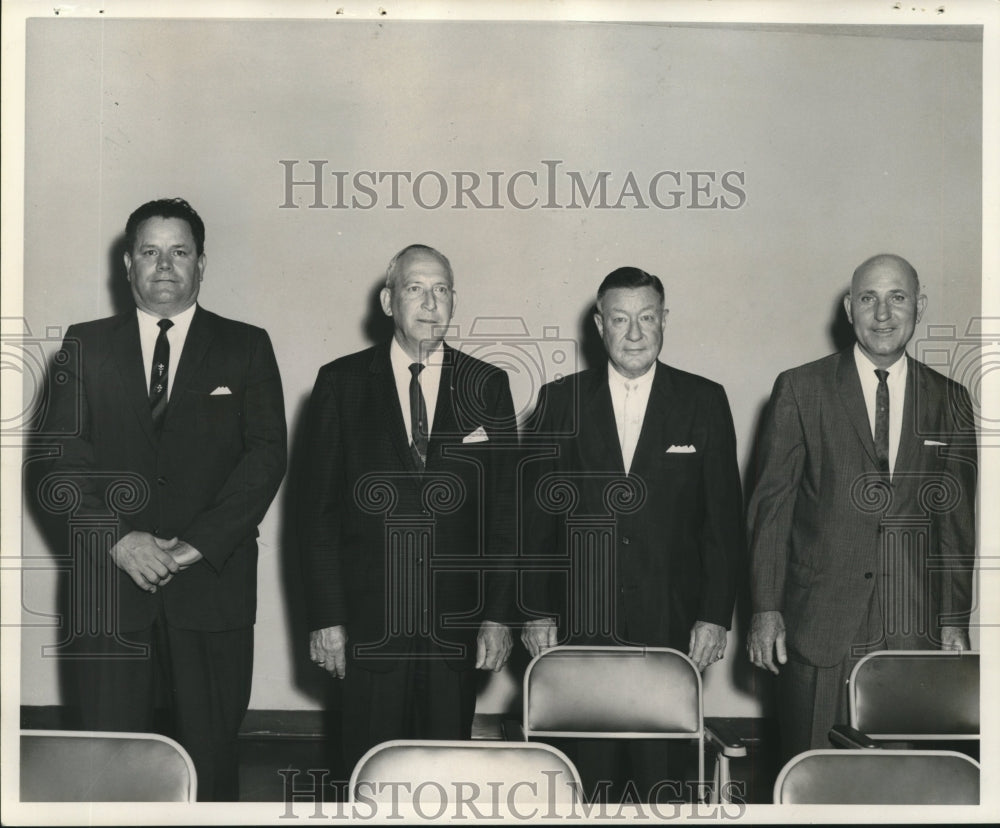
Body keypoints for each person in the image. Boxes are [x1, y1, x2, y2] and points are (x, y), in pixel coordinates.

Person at [43, 197, 287, 800]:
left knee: (208, 770)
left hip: (211, 595)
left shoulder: (246, 347)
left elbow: (264, 461)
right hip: (110, 594)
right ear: (127, 263)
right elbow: (57, 467)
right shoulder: (84, 345)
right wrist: (119, 540)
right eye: (150, 252)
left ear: (201, 263)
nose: (164, 265)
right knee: (107, 771)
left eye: (180, 252)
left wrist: (193, 548)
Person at [520, 266, 744, 802]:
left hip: (670, 630)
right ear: (599, 325)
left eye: (647, 318)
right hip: (578, 631)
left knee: (661, 785)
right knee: (581, 785)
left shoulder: (704, 400)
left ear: (665, 320)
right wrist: (533, 610)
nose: (635, 333)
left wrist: (714, 614)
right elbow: (532, 523)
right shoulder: (559, 402)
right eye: (620, 319)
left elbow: (724, 522)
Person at [746, 253, 977, 760]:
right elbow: (771, 510)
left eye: (897, 298)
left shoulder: (951, 401)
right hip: (817, 629)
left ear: (919, 306)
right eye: (869, 298)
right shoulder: (800, 389)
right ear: (850, 308)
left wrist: (954, 619)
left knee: (902, 783)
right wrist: (765, 610)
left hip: (911, 632)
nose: (883, 313)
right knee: (811, 779)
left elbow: (956, 527)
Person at [300, 244, 518, 776]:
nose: (429, 302)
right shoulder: (341, 384)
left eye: (441, 289)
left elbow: (505, 514)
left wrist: (496, 614)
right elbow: (317, 515)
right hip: (369, 629)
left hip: (456, 630)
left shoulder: (487, 385)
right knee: (369, 776)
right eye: (415, 288)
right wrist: (327, 618)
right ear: (388, 300)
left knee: (445, 778)